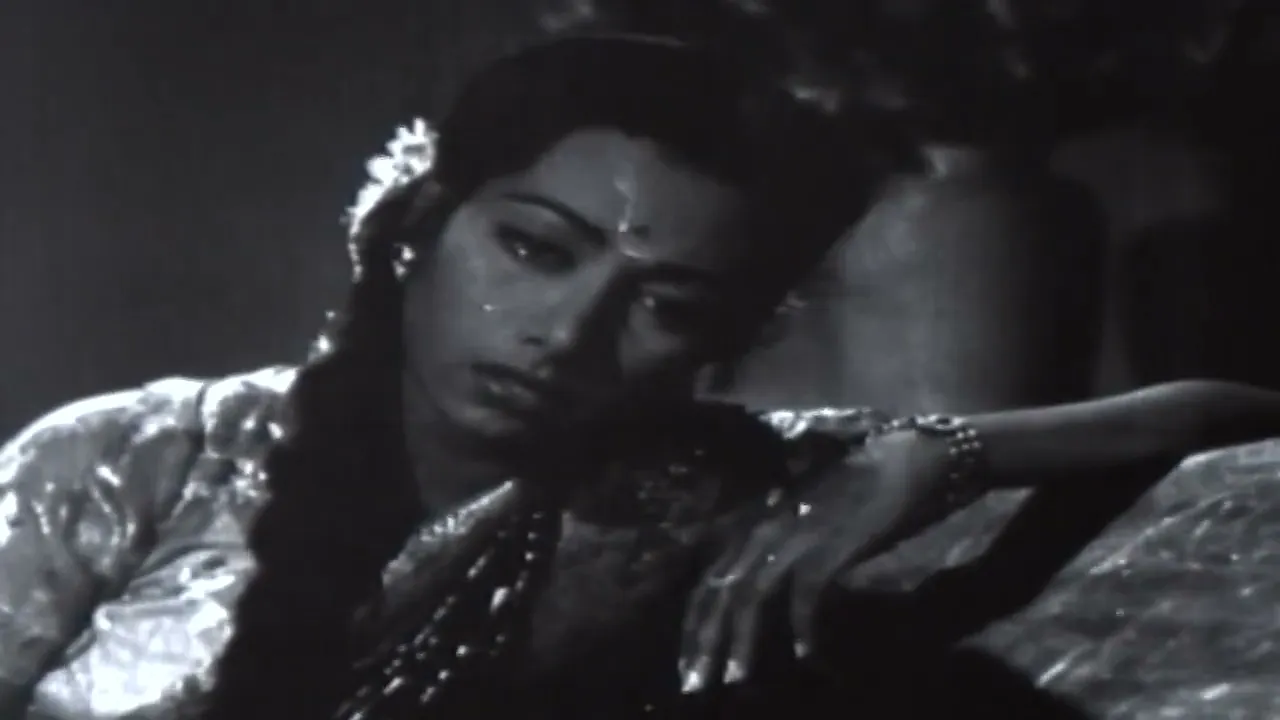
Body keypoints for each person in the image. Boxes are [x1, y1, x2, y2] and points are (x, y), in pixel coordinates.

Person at [2, 33, 1279, 720]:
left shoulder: (697, 487)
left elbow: (1232, 420)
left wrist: (932, 450)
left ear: (719, 343)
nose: (567, 333)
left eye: (667, 307)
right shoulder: (140, 457)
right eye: (532, 250)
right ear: (415, 229)